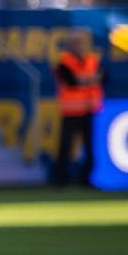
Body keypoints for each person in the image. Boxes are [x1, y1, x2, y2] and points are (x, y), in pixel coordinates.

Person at [52, 29, 102, 188]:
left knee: (89, 146)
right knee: (65, 146)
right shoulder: (64, 61)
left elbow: (104, 77)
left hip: (88, 110)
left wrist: (83, 80)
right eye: (75, 42)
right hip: (71, 111)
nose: (79, 45)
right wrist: (89, 80)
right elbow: (70, 81)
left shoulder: (92, 60)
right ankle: (61, 180)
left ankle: (86, 179)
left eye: (81, 42)